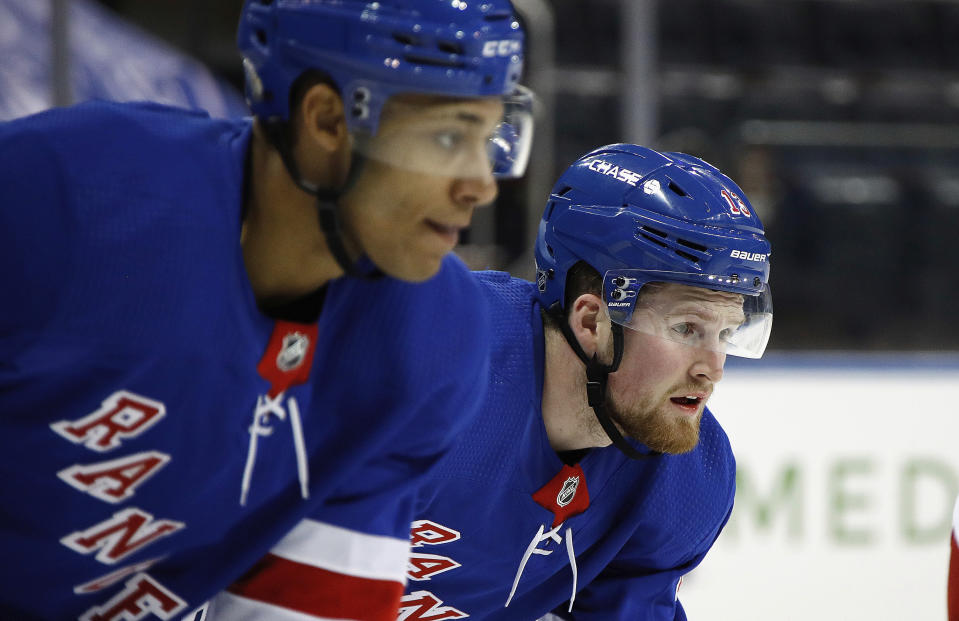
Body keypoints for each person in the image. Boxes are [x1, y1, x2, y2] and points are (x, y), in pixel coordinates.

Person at [0, 1, 533, 619]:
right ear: (327, 120)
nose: (482, 184)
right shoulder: (74, 193)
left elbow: (305, 606)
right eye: (448, 136)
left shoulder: (436, 341)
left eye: (492, 136)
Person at [397, 143, 773, 620]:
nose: (712, 368)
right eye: (686, 329)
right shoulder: (431, 364)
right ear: (592, 321)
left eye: (726, 333)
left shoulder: (688, 478)